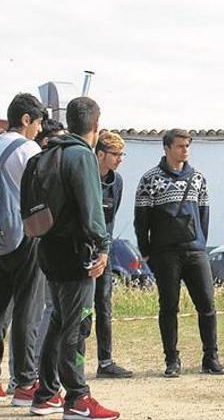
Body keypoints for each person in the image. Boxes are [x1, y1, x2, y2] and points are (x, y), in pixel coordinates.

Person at [30, 96, 119, 419]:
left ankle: (45, 394)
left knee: (57, 321)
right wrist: (103, 246)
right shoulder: (81, 156)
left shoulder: (50, 151)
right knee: (76, 324)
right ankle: (77, 398)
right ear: (96, 125)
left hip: (48, 249)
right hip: (76, 252)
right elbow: (91, 208)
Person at [134, 129, 224, 377]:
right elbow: (141, 220)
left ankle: (211, 357)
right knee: (168, 307)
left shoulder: (198, 178)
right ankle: (172, 360)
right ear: (166, 148)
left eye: (188, 146)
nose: (185, 150)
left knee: (207, 304)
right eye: (180, 146)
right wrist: (146, 252)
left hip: (195, 252)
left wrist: (201, 244)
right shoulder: (149, 179)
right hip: (165, 254)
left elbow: (204, 214)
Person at [0, 93, 45, 406]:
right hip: (23, 236)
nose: (40, 130)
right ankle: (25, 383)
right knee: (28, 307)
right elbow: (42, 192)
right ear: (26, 120)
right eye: (38, 122)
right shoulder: (28, 149)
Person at [90, 131, 134, 378]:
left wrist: (104, 250)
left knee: (104, 306)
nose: (119, 159)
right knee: (82, 311)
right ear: (100, 154)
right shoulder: (85, 178)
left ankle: (105, 362)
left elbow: (110, 218)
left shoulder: (116, 182)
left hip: (104, 252)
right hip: (82, 252)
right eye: (115, 155)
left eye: (121, 155)